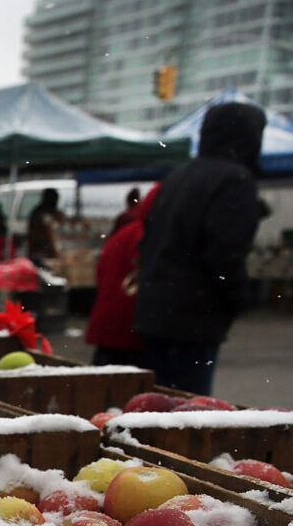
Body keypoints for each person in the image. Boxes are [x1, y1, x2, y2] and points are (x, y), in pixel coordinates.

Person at [134, 101, 266, 395]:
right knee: (188, 405)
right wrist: (239, 297)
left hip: (154, 310)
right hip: (194, 314)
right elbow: (225, 252)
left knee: (158, 402)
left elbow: (148, 240)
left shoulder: (178, 175)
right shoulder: (235, 179)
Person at [85, 184, 159, 367]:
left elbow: (101, 272)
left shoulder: (128, 230)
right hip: (129, 330)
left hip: (110, 325)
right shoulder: (147, 234)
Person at [26, 187, 62, 267]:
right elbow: (45, 235)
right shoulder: (39, 214)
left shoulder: (53, 212)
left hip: (47, 253)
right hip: (40, 253)